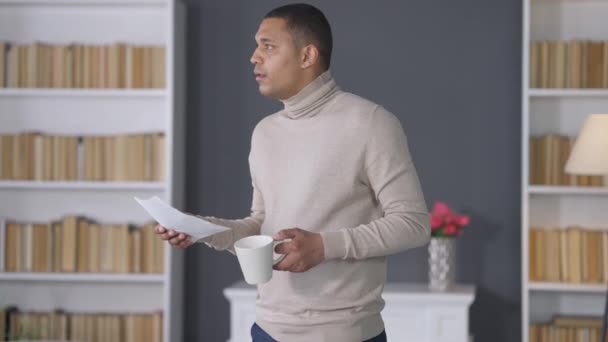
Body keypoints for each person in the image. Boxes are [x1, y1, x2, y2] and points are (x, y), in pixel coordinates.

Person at [155, 3, 430, 342]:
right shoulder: (264, 132)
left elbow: (414, 224)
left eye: (268, 46)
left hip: (344, 334)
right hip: (267, 330)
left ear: (307, 56)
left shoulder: (371, 123)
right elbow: (261, 224)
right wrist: (203, 230)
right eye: (256, 46)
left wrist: (324, 246)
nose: (254, 57)